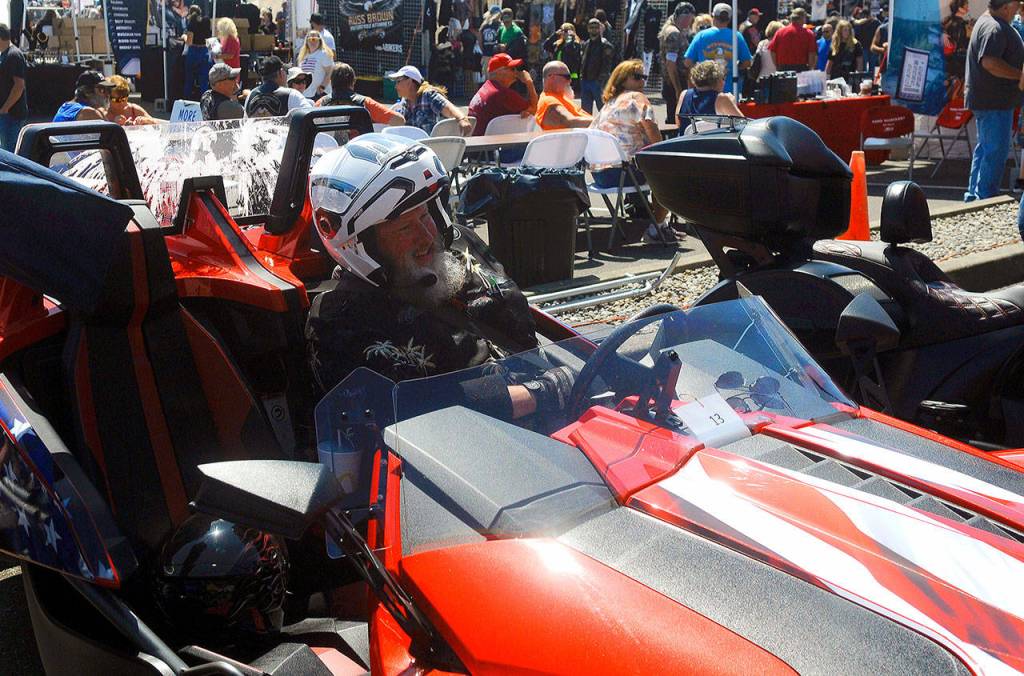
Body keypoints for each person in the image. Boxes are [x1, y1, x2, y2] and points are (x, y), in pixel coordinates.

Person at [305, 135, 573, 420]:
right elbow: (410, 411)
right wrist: (542, 393)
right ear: (361, 244)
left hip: (558, 399)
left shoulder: (458, 247)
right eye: (405, 227)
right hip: (474, 447)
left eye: (426, 215)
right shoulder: (339, 322)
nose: (428, 235)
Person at [590, 60, 675, 244]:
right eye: (637, 77)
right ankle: (657, 228)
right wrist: (664, 156)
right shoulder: (636, 98)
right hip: (625, 175)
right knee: (667, 174)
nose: (642, 82)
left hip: (601, 176)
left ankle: (659, 225)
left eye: (644, 77)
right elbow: (651, 128)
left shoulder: (608, 105)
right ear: (622, 80)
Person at [965, 0, 1024, 202]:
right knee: (994, 150)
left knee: (986, 149)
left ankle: (975, 196)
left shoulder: (989, 23)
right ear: (1007, 6)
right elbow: (990, 62)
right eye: (1017, 4)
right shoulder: (994, 27)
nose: (1019, 7)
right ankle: (985, 197)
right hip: (993, 101)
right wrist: (1019, 75)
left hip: (990, 100)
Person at [684, 4, 752, 93]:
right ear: (729, 19)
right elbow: (747, 62)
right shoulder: (737, 36)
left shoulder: (701, 36)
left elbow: (688, 62)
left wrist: (701, 71)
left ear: (713, 17)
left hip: (704, 89)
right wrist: (734, 67)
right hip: (728, 90)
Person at [317, 62, 405, 128]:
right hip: (357, 150)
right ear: (353, 82)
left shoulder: (320, 103)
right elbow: (400, 120)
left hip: (328, 150)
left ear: (331, 82)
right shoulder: (366, 103)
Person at [467, 52, 538, 134]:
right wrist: (529, 82)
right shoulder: (502, 93)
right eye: (512, 69)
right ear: (499, 72)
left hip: (479, 141)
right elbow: (534, 109)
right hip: (489, 143)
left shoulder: (487, 87)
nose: (516, 72)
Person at [388, 65, 470, 134]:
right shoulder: (404, 103)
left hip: (431, 148)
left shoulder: (428, 96)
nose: (396, 86)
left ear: (409, 82)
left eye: (398, 82)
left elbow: (448, 108)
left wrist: (462, 119)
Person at [658, 3, 696, 126]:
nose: (689, 23)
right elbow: (670, 63)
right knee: (676, 121)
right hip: (675, 81)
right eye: (689, 19)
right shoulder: (674, 33)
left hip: (673, 80)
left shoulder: (670, 29)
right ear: (684, 17)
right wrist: (677, 89)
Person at [678, 58, 745, 127]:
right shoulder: (721, 98)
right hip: (712, 137)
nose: (724, 82)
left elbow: (679, 123)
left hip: (688, 137)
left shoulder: (684, 94)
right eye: (723, 78)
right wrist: (732, 103)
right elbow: (742, 124)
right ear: (718, 80)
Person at [244, 56, 312, 117]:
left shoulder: (251, 95)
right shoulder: (292, 95)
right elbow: (310, 116)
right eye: (286, 71)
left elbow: (245, 123)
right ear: (281, 72)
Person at [536, 60, 593, 129]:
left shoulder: (561, 97)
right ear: (552, 77)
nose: (570, 80)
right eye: (567, 77)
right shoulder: (548, 100)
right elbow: (569, 121)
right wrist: (601, 122)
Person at [0, 24, 28, 153]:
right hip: (7, 113)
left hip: (11, 114)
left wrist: (5, 109)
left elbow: (19, 86)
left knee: (10, 152)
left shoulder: (13, 55)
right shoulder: (5, 55)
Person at [580, 17, 616, 113]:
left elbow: (607, 65)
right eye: (591, 27)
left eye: (596, 27)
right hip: (585, 81)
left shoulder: (606, 45)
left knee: (603, 110)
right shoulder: (586, 44)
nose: (593, 29)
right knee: (585, 112)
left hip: (598, 82)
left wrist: (601, 80)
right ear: (588, 29)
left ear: (600, 28)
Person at [769, 7, 818, 72]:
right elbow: (812, 54)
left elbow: (772, 51)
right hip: (801, 69)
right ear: (802, 18)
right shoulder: (809, 34)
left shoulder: (780, 32)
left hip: (783, 69)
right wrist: (810, 69)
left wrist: (777, 66)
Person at [543, 23, 583, 95]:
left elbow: (570, 50)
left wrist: (571, 38)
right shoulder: (558, 44)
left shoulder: (576, 44)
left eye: (566, 31)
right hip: (557, 74)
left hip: (569, 75)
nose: (564, 33)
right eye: (562, 30)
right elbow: (546, 46)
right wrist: (555, 35)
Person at [183, 4, 212, 99]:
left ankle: (186, 101)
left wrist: (184, 37)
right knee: (204, 81)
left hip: (193, 51)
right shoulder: (207, 20)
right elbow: (208, 38)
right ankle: (205, 103)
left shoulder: (191, 22)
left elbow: (189, 41)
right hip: (204, 51)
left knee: (189, 79)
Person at [297, 30, 334, 99]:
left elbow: (330, 72)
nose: (312, 41)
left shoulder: (324, 54)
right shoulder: (303, 55)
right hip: (306, 94)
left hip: (320, 94)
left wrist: (322, 87)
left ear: (320, 41)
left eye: (315, 39)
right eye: (310, 39)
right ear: (306, 41)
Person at [853, 9, 881, 74]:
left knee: (864, 65)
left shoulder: (860, 23)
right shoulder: (876, 22)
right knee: (871, 65)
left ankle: (865, 78)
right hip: (871, 46)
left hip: (864, 46)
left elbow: (857, 33)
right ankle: (871, 79)